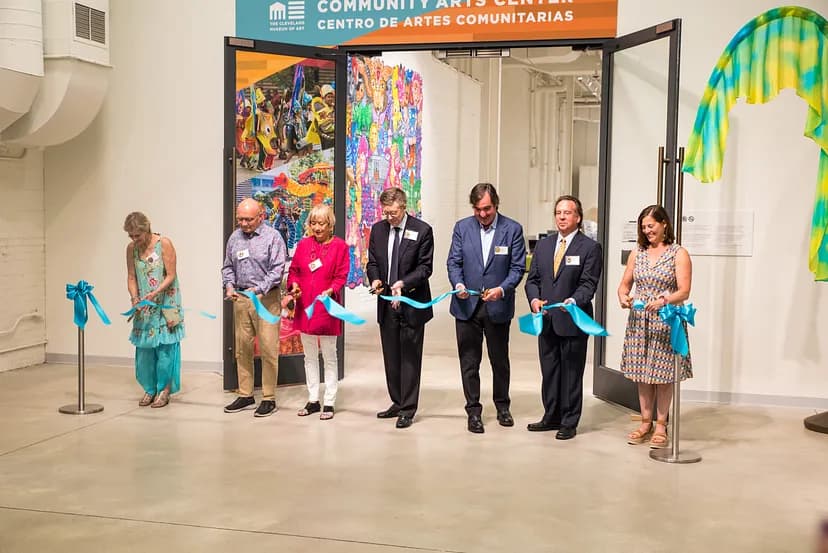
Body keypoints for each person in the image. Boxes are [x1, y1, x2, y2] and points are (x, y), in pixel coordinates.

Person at [447, 183, 526, 433]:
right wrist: (458, 283)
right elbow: (453, 262)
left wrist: (501, 289)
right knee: (469, 361)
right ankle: (473, 410)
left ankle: (503, 407)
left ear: (496, 205)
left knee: (499, 360)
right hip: (466, 306)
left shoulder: (512, 229)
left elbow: (517, 268)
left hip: (498, 306)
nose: (483, 214)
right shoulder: (462, 228)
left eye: (488, 209)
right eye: (478, 209)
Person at [524, 195, 603, 440]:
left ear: (577, 218)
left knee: (571, 372)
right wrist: (534, 300)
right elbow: (533, 280)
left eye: (567, 212)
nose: (561, 216)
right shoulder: (545, 246)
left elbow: (588, 284)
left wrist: (574, 301)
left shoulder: (590, 248)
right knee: (550, 370)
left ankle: (569, 420)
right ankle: (551, 415)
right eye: (558, 212)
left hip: (573, 320)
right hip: (546, 319)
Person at [618, 204, 692, 448]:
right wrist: (623, 296)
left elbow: (684, 291)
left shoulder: (678, 253)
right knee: (642, 375)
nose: (647, 231)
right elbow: (624, 284)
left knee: (663, 376)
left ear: (664, 225)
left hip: (666, 321)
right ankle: (645, 421)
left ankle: (661, 425)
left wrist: (663, 300)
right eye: (644, 227)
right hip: (640, 322)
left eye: (651, 226)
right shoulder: (637, 253)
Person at [366, 187, 434, 429]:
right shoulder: (378, 230)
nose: (389, 217)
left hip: (412, 303)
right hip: (386, 305)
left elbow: (425, 268)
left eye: (393, 213)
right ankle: (397, 401)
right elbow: (373, 262)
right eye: (385, 213)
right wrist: (375, 279)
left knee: (410, 359)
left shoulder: (422, 230)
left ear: (404, 207)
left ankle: (408, 408)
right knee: (391, 358)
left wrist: (402, 284)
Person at [221, 198, 287, 417]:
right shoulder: (234, 237)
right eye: (240, 219)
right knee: (243, 348)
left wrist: (258, 290)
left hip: (266, 299)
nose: (244, 223)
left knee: (268, 349)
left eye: (248, 219)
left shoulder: (273, 237)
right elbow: (228, 266)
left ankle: (269, 398)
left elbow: (277, 270)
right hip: (240, 297)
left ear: (261, 216)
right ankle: (245, 393)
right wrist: (229, 286)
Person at [286, 204, 349, 420]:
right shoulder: (303, 245)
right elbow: (294, 271)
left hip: (327, 308)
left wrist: (332, 289)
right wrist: (293, 286)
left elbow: (341, 275)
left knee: (330, 356)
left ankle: (329, 401)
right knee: (309, 356)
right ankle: (313, 399)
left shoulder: (340, 246)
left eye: (321, 223)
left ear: (330, 224)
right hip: (306, 307)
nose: (317, 227)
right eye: (313, 223)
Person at [124, 212, 184, 408]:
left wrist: (155, 292)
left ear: (146, 229)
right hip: (145, 306)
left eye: (137, 235)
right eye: (131, 236)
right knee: (145, 352)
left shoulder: (164, 243)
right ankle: (149, 388)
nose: (135, 239)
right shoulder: (131, 249)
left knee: (166, 349)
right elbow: (131, 276)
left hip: (167, 302)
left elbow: (171, 275)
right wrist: (135, 298)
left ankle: (164, 390)